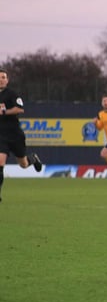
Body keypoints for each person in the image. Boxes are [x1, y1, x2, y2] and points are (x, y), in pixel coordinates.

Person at [0, 68, 43, 202]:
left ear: (7, 80)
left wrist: (4, 112)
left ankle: (33, 158)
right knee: (0, 163)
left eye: (3, 77)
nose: (1, 80)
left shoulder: (11, 94)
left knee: (23, 164)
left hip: (14, 134)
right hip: (1, 135)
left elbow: (20, 108)